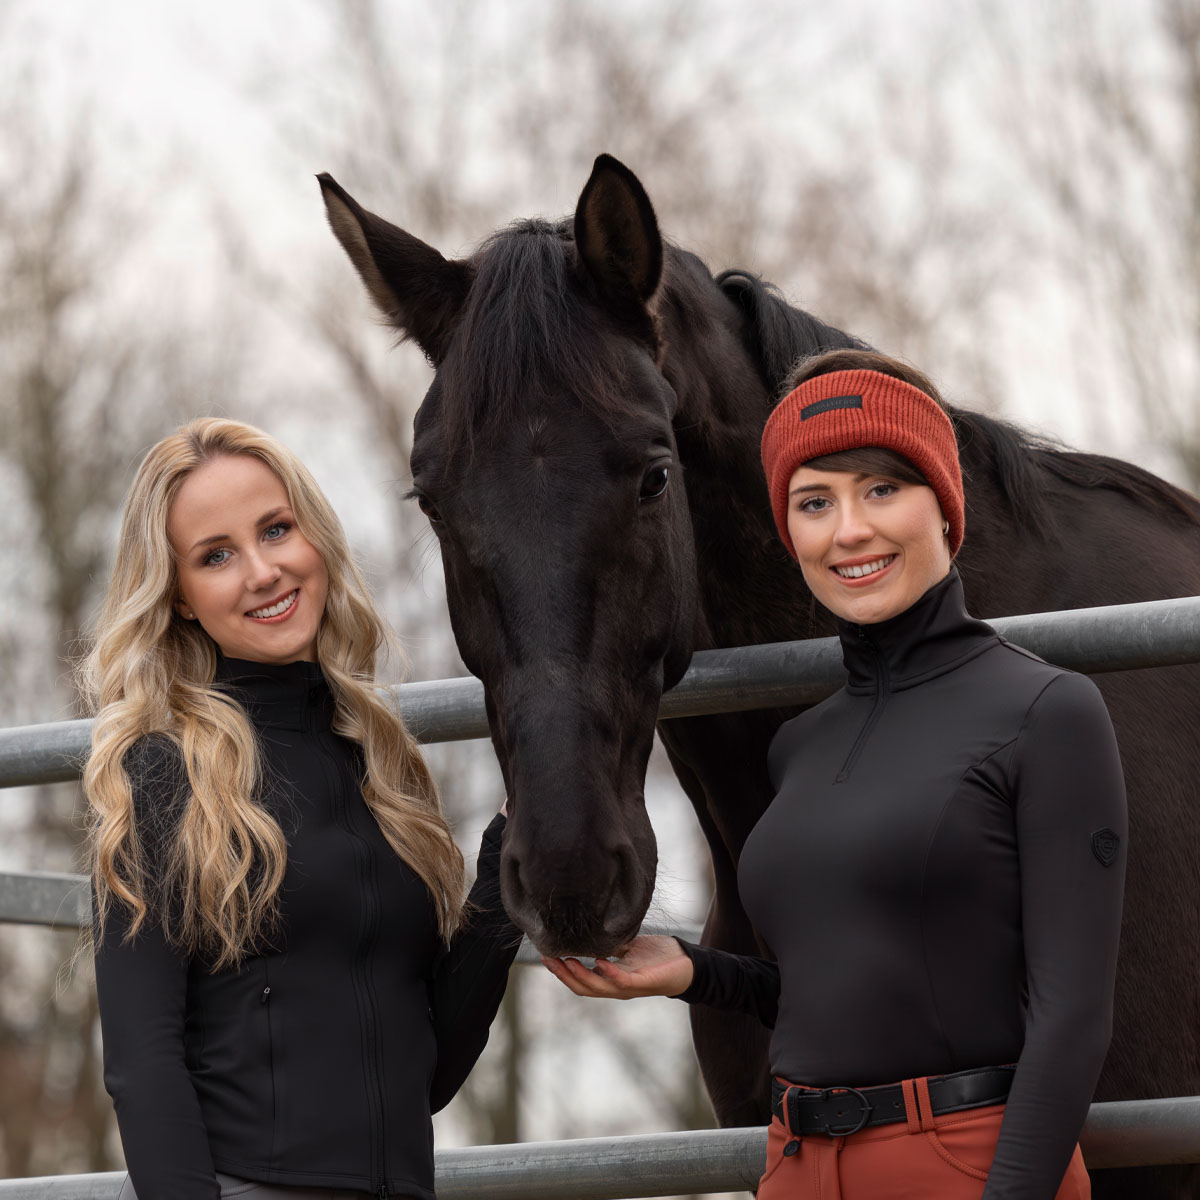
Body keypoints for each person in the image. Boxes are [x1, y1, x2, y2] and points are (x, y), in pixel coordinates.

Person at [544, 349, 1126, 1200]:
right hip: (799, 1168)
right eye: (815, 502)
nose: (849, 529)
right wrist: (697, 971)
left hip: (967, 1165)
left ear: (944, 505)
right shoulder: (803, 743)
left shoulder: (1047, 712)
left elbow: (1072, 1019)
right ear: (791, 532)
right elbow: (843, 986)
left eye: (882, 489)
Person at [83, 417, 519, 1200]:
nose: (262, 570)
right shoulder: (161, 772)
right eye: (216, 555)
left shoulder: (380, 761)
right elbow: (142, 1064)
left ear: (314, 538)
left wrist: (509, 865)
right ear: (178, 598)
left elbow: (428, 1066)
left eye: (276, 530)